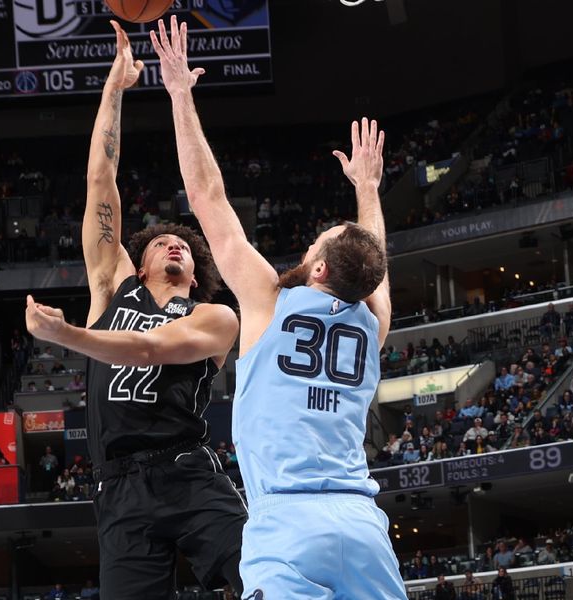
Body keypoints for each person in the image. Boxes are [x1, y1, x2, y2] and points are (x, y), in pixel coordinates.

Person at [150, 16, 403, 598]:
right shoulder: (373, 323)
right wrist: (367, 190)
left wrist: (180, 95)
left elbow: (206, 197)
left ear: (317, 268)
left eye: (316, 243)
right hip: (363, 528)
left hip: (286, 523)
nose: (309, 245)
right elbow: (377, 262)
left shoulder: (268, 298)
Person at [24, 22, 245, 600]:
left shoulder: (214, 319)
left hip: (189, 473)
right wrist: (114, 89)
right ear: (138, 264)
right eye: (161, 243)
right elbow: (102, 179)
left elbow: (150, 349)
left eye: (187, 249)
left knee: (264, 576)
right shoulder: (112, 289)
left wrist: (67, 334)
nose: (176, 246)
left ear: (195, 272)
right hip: (116, 488)